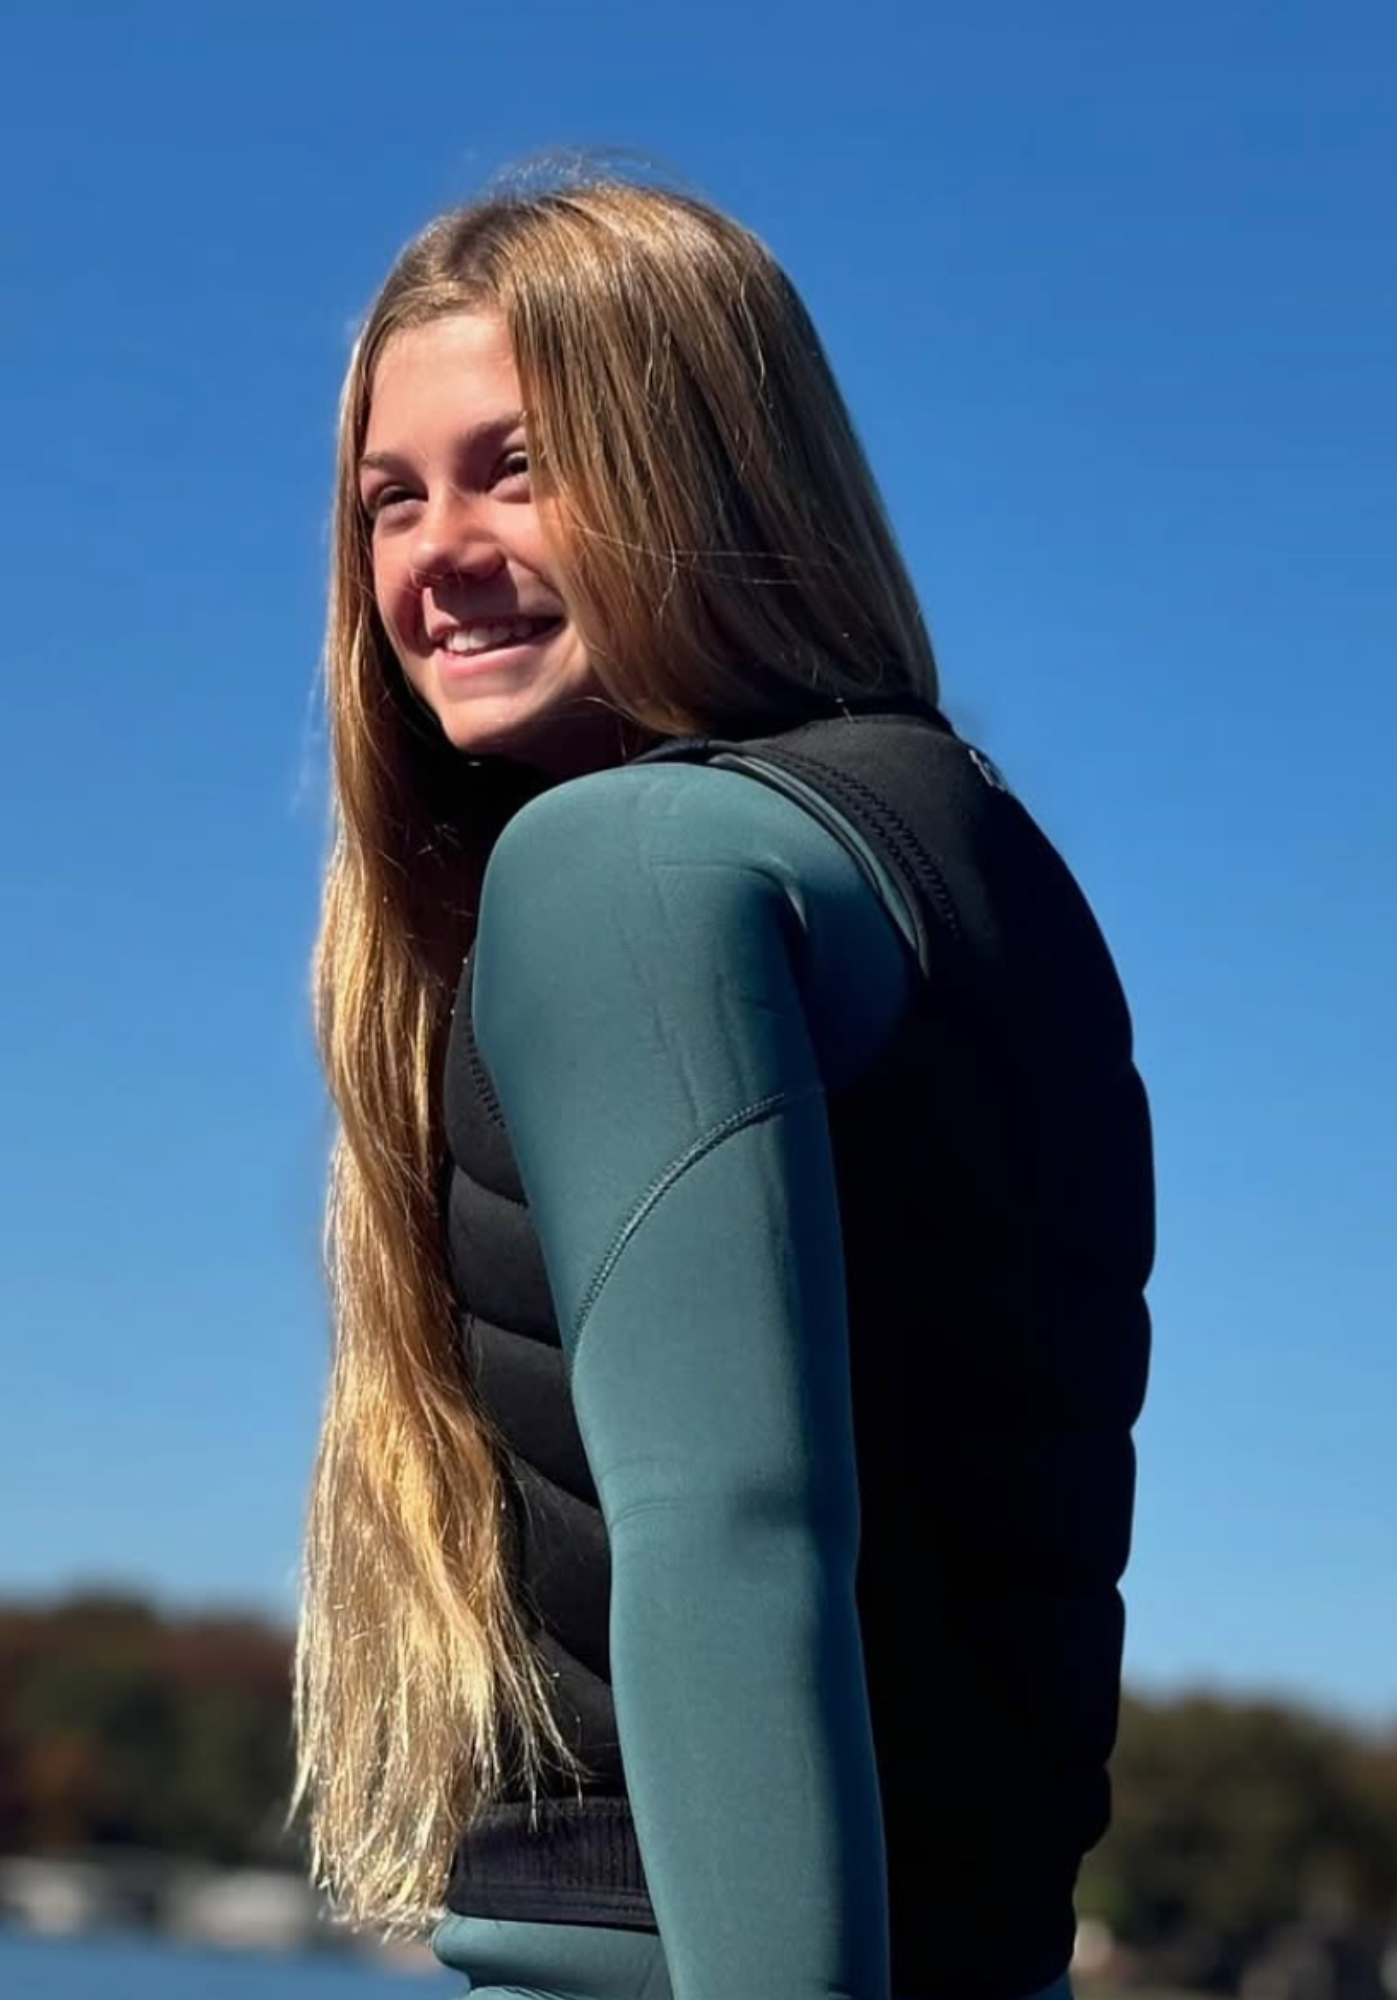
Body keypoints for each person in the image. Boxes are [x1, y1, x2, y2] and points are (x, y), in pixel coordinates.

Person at [292, 171, 1155, 2000]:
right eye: (392, 500)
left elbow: (735, 1546)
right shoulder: (992, 870)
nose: (436, 555)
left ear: (703, 467)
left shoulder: (626, 871)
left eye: (517, 469)